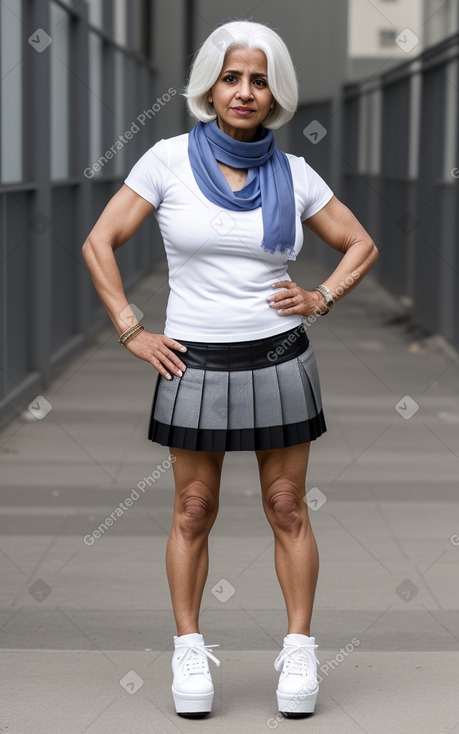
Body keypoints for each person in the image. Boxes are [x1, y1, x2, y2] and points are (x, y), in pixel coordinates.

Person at [82, 19, 378, 719]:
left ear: (274, 92)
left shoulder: (295, 173)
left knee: (286, 508)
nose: (244, 91)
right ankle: (189, 651)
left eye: (258, 79)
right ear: (209, 86)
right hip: (193, 362)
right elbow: (101, 241)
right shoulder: (165, 160)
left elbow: (360, 242)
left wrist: (320, 296)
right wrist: (130, 328)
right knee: (192, 510)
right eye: (231, 77)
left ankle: (298, 651)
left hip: (279, 355)